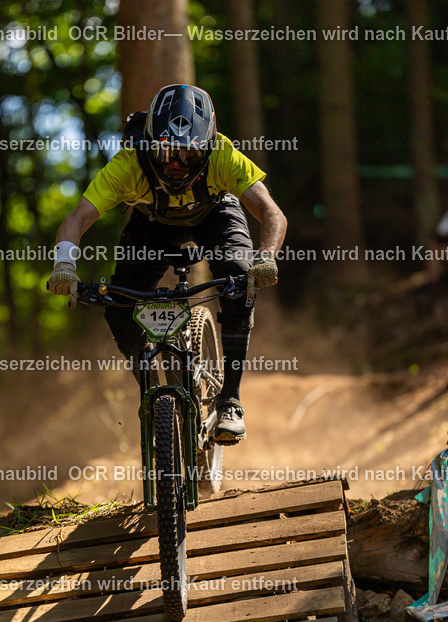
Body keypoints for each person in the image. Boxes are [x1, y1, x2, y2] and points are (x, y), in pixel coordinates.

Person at [47, 84, 287, 444]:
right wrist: (64, 264)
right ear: (148, 145)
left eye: (188, 155)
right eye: (166, 152)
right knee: (117, 308)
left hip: (215, 214)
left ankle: (230, 403)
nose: (176, 164)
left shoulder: (224, 154)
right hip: (152, 223)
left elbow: (272, 213)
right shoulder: (129, 164)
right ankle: (151, 389)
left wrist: (265, 256)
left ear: (206, 147)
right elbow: (77, 218)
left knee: (238, 282)